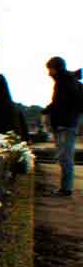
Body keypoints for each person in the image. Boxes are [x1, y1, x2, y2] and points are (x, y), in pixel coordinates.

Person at [41, 56, 81, 196]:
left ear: (56, 69)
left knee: (65, 157)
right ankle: (65, 188)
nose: (49, 73)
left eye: (50, 69)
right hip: (67, 123)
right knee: (65, 157)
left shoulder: (65, 82)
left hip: (66, 124)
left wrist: (48, 110)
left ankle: (66, 189)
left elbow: (62, 102)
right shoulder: (67, 81)